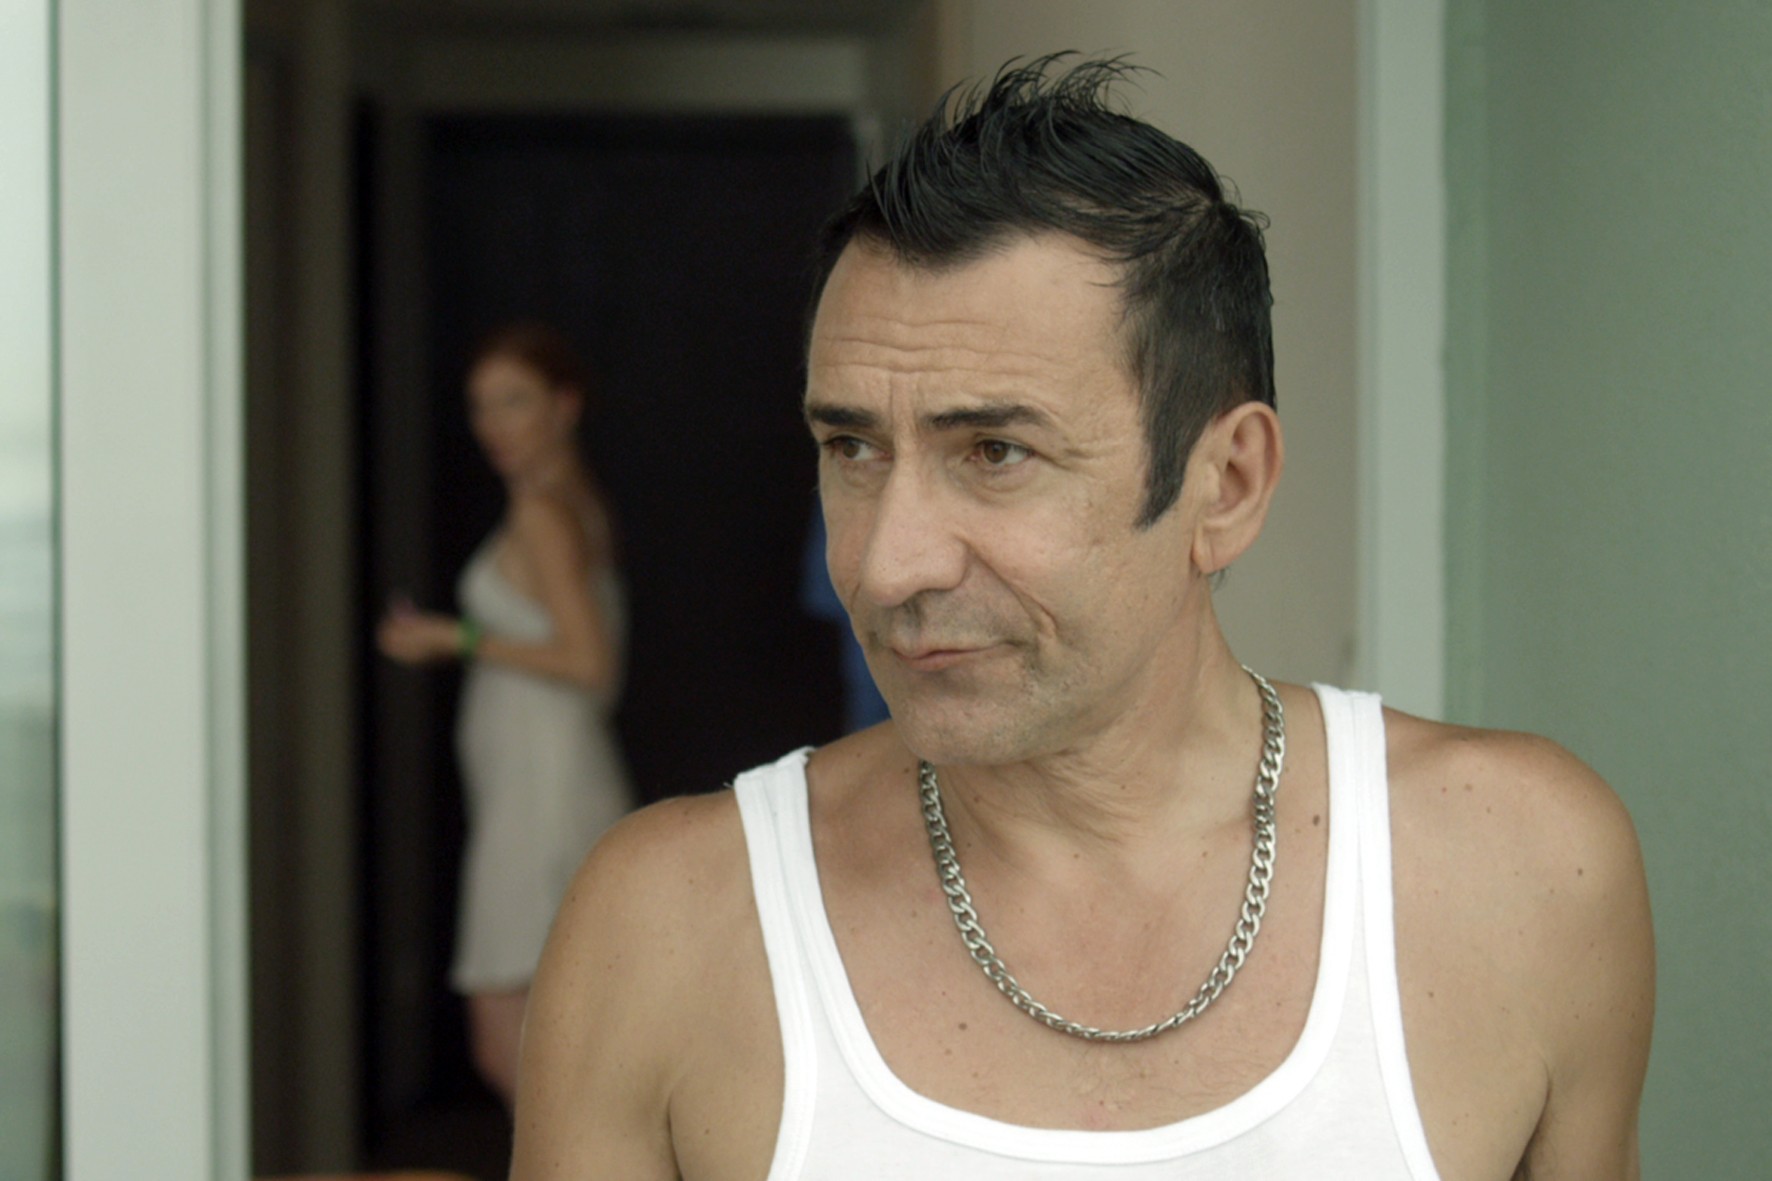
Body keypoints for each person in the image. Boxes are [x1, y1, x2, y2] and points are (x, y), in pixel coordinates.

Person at [511, 58, 1654, 1179]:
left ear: (1226, 485)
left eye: (994, 452)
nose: (885, 562)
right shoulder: (666, 932)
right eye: (852, 446)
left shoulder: (1516, 869)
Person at [377, 321, 634, 1109]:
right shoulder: (568, 500)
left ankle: (589, 1163)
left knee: (508, 1031)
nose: (492, 423)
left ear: (564, 404)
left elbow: (589, 662)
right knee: (560, 1034)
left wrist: (456, 637)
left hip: (541, 795)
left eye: (514, 400)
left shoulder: (544, 513)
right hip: (538, 784)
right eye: (481, 405)